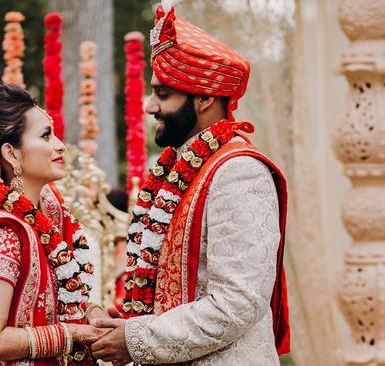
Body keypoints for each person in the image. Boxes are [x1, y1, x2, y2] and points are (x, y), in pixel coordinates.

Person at [90, 3, 290, 365]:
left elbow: (238, 301)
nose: (150, 107)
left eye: (163, 94)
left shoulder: (238, 172)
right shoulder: (183, 168)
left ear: (205, 98)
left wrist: (137, 338)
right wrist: (126, 323)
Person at [0, 83, 109, 365]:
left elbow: (54, 303)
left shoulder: (48, 215)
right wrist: (71, 332)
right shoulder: (4, 233)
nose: (59, 145)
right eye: (46, 136)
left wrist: (91, 313)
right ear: (12, 154)